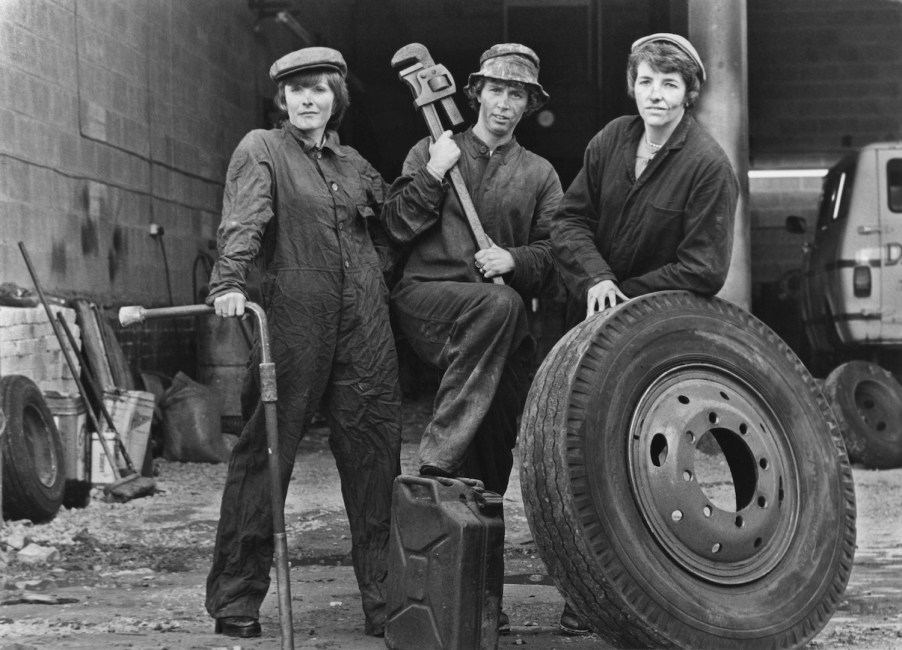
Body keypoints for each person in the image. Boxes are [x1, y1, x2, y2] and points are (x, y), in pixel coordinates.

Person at [381, 43, 588, 636]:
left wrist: (515, 258)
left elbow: (555, 253)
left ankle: (477, 606)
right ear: (474, 93)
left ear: (528, 104)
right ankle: (437, 455)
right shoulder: (432, 145)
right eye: (495, 89)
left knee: (493, 465)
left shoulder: (540, 174)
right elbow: (395, 227)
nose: (504, 102)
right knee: (496, 305)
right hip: (429, 300)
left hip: (501, 330)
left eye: (516, 93)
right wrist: (433, 173)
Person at [203, 47, 401, 639]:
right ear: (282, 99)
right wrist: (231, 279)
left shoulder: (355, 163)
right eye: (296, 90)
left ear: (336, 96)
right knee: (265, 454)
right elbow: (246, 216)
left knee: (374, 456)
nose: (307, 99)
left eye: (318, 89)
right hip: (293, 315)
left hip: (364, 321)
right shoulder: (261, 149)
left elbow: (394, 225)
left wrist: (436, 171)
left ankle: (386, 602)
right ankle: (237, 599)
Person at [551, 33, 739, 326]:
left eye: (670, 84)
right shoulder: (611, 138)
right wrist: (597, 279)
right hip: (588, 315)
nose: (655, 94)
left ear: (689, 94)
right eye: (646, 81)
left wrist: (621, 296)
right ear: (633, 86)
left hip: (660, 326)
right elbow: (569, 220)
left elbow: (703, 268)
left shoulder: (709, 166)